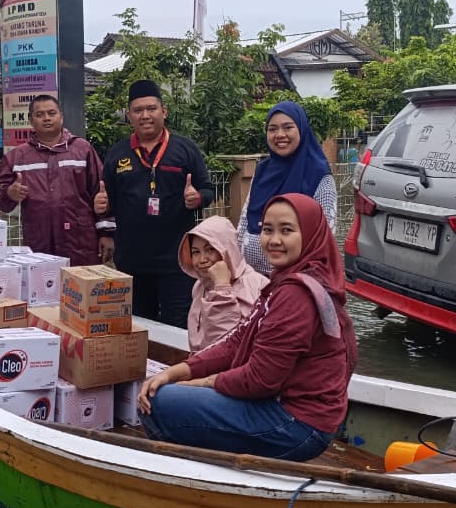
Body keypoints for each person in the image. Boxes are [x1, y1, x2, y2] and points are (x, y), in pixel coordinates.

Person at [137, 193, 357, 461]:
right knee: (166, 389)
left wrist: (200, 383)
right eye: (267, 230)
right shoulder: (283, 282)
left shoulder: (295, 295)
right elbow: (236, 341)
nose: (274, 240)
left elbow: (261, 379)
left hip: (297, 425)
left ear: (310, 234)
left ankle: (200, 479)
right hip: (288, 408)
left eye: (286, 230)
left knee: (159, 404)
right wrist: (177, 372)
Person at [94, 79, 214, 329]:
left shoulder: (185, 149)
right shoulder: (118, 154)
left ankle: (176, 369)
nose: (145, 116)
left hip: (178, 260)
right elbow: (108, 201)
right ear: (129, 116)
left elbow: (208, 190)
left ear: (164, 112)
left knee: (178, 326)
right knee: (139, 327)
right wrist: (101, 205)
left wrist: (198, 198)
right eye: (138, 111)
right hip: (132, 261)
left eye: (151, 109)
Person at [0, 95, 103, 265]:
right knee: (43, 289)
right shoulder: (17, 157)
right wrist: (9, 193)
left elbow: (101, 192)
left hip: (81, 244)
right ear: (31, 120)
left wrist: (106, 234)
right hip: (38, 245)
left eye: (51, 113)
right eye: (40, 115)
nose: (47, 118)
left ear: (61, 117)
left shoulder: (82, 149)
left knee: (81, 290)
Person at [236, 100, 338, 275]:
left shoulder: (318, 176)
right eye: (272, 129)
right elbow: (245, 221)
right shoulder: (263, 171)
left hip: (293, 283)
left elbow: (324, 237)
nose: (280, 134)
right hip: (252, 280)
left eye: (288, 127)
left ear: (302, 129)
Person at [179, 215, 268, 352]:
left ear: (227, 249)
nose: (202, 259)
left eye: (210, 249)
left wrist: (222, 288)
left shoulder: (255, 286)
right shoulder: (200, 285)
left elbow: (225, 345)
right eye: (195, 252)